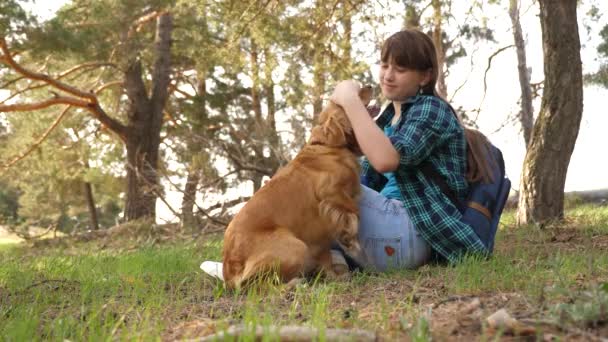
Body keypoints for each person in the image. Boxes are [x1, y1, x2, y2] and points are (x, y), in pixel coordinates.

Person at [329, 29, 491, 271]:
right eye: (384, 65)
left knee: (316, 184)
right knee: (310, 187)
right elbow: (364, 179)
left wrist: (351, 102)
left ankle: (331, 257)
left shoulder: (431, 110)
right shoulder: (387, 120)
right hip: (388, 228)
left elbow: (386, 160)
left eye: (400, 69)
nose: (388, 76)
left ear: (425, 77)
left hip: (411, 231)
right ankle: (329, 260)